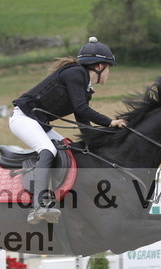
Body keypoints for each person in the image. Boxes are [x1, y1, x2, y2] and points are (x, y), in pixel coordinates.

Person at [10, 37, 127, 225]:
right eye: (109, 68)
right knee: (48, 150)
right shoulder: (75, 74)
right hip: (23, 118)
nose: (109, 73)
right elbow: (81, 109)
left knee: (67, 149)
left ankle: (56, 197)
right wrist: (110, 122)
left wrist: (102, 141)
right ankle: (38, 205)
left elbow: (83, 123)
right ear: (99, 66)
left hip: (39, 123)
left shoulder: (84, 86)